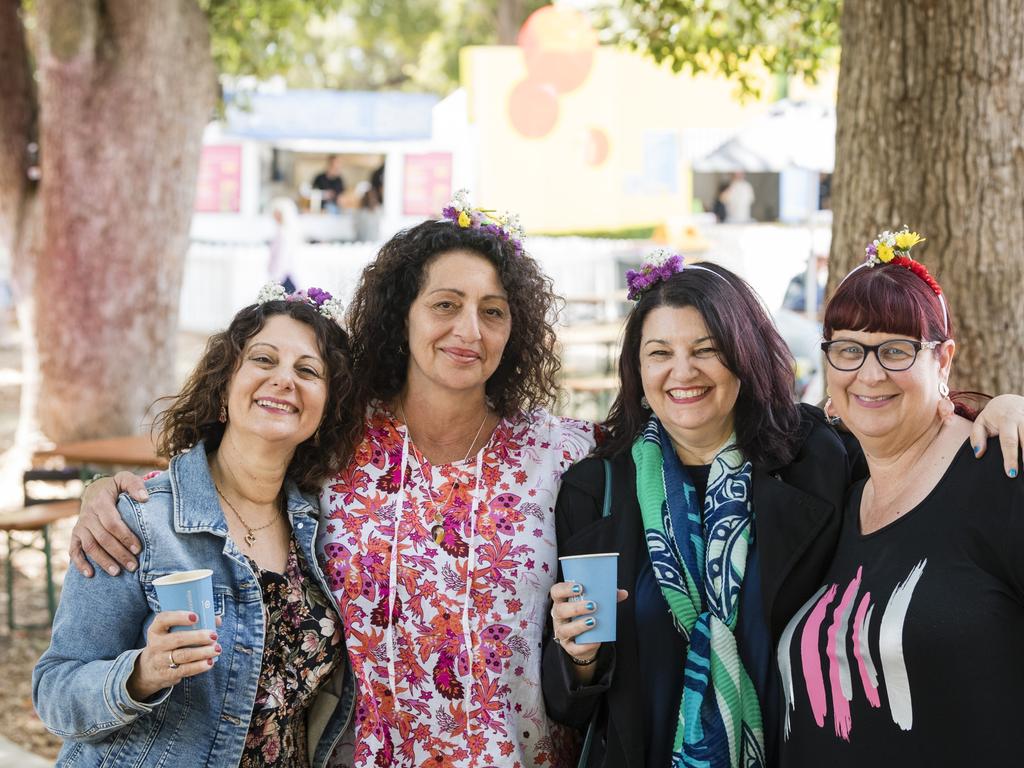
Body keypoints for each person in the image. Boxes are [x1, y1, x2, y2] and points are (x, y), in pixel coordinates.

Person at [68, 190, 596, 768]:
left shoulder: (560, 453)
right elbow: (233, 467)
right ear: (403, 315)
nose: (469, 329)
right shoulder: (339, 436)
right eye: (445, 304)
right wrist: (113, 494)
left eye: (493, 311)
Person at [542, 249, 1024, 768]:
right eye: (659, 353)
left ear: (743, 356)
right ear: (637, 368)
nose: (683, 371)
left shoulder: (813, 458)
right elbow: (567, 704)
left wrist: (999, 407)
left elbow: (908, 441)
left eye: (707, 349)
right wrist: (579, 659)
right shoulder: (598, 490)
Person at [34, 285, 359, 767]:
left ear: (325, 409)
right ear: (224, 389)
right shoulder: (138, 521)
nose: (284, 380)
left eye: (307, 370)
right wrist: (140, 674)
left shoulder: (325, 526)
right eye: (263, 360)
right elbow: (54, 688)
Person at [777, 230, 1024, 766]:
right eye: (848, 349)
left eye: (895, 349)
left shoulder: (1004, 475)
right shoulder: (836, 494)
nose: (869, 373)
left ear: (943, 360)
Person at [268, 196, 301, 293]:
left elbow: (282, 257)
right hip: (282, 275)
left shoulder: (284, 233)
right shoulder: (282, 231)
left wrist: (276, 279)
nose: (274, 215)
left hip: (283, 276)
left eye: (277, 213)